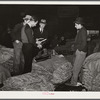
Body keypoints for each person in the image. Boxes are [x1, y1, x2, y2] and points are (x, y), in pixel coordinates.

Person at [71, 17, 87, 86]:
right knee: (77, 67)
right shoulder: (81, 30)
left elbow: (84, 43)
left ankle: (74, 84)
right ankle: (74, 82)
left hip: (81, 52)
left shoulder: (83, 31)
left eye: (75, 24)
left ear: (79, 24)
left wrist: (78, 50)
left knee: (76, 68)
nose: (75, 26)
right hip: (80, 51)